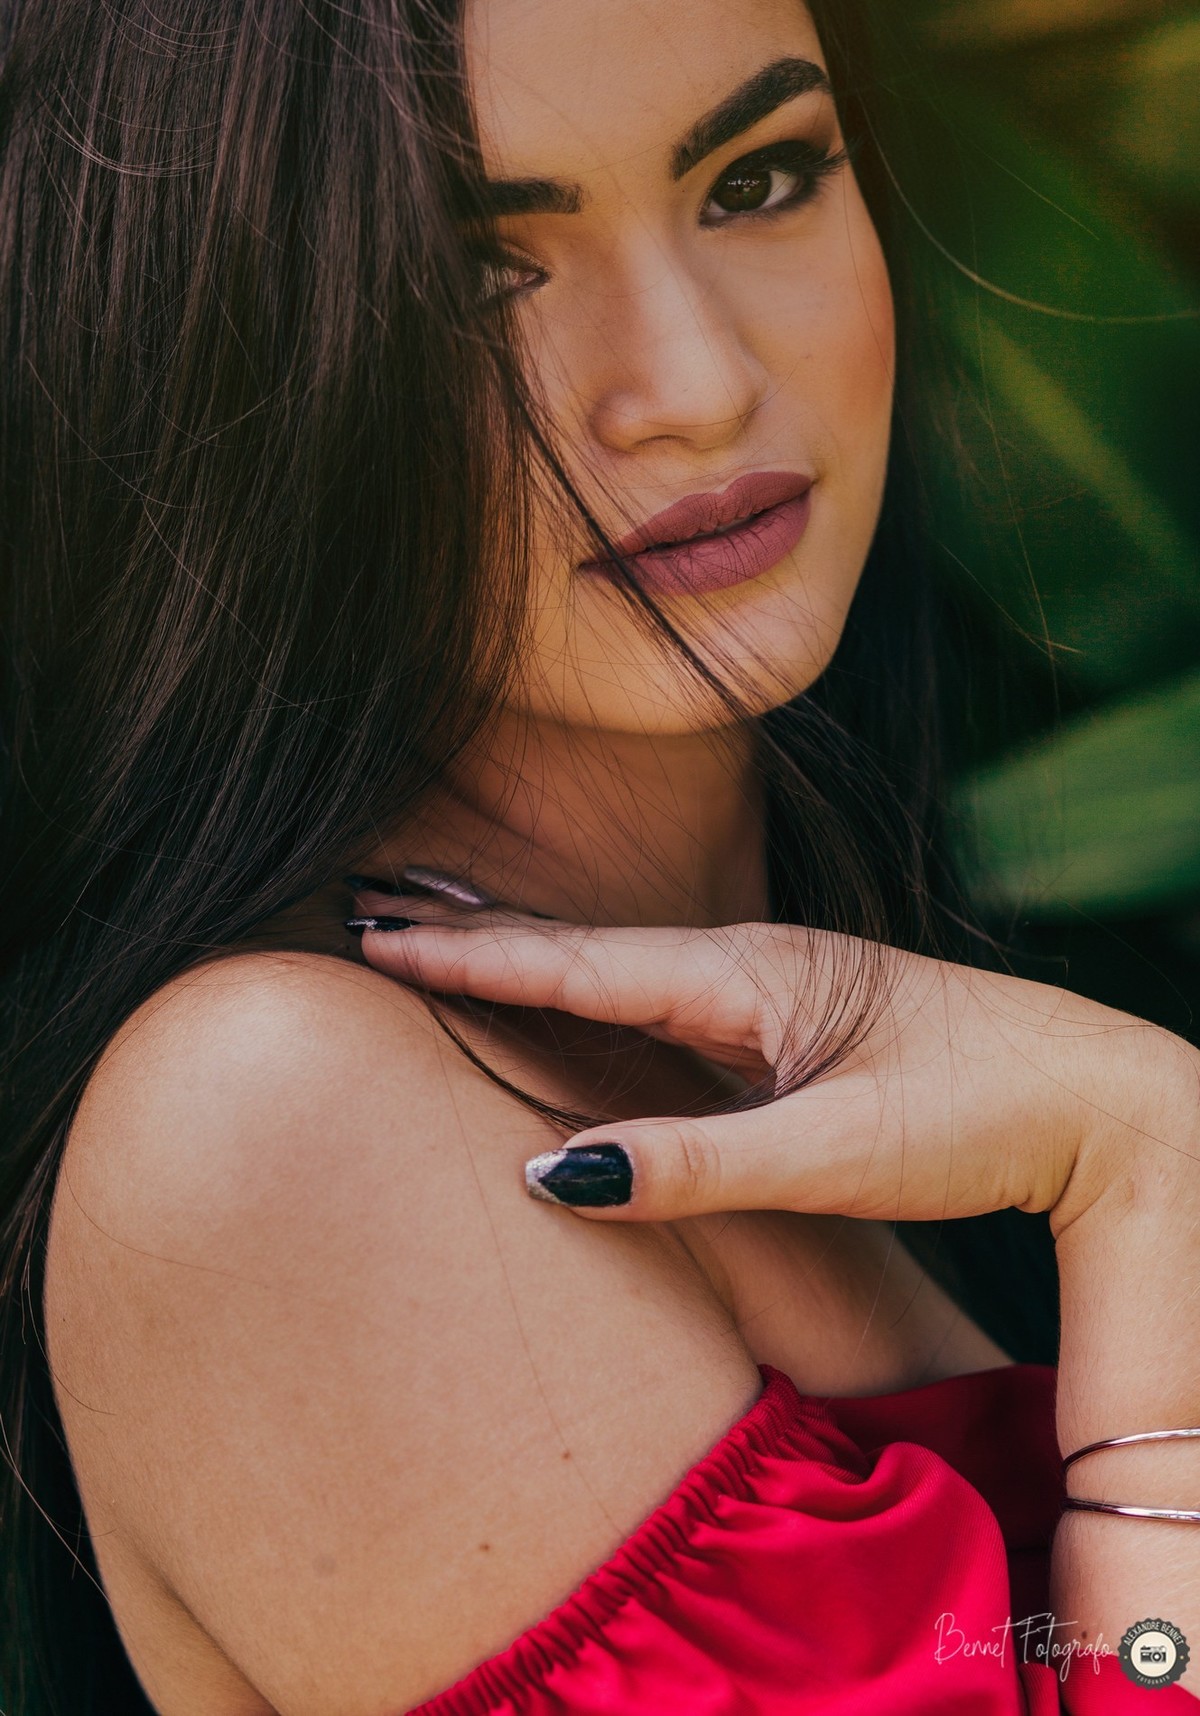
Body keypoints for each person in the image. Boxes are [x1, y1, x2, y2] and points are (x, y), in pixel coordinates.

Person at [0, 0, 1196, 1712]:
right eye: (475, 274)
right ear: (196, 352)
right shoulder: (280, 1124)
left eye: (759, 178)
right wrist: (1155, 1172)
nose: (698, 388)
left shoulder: (978, 1008)